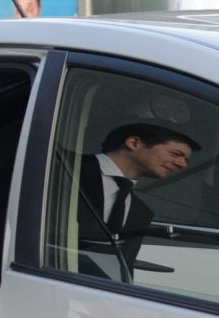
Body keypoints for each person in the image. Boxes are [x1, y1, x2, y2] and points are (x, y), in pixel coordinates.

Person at [78, 120, 197, 279]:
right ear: (134, 143)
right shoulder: (62, 165)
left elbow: (122, 270)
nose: (182, 165)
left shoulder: (141, 212)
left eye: (186, 160)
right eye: (175, 154)